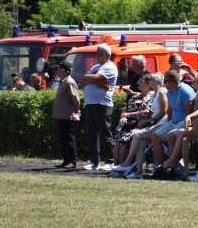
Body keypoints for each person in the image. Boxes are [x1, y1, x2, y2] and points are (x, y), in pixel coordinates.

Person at [115, 73, 168, 179]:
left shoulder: (162, 92)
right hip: (155, 123)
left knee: (137, 134)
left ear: (156, 82)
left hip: (162, 123)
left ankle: (128, 162)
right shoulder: (153, 94)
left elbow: (163, 112)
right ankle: (138, 172)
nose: (148, 82)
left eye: (150, 80)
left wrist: (148, 121)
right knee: (141, 143)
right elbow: (145, 97)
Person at [150, 70, 196, 176]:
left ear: (171, 82)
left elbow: (190, 112)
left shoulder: (185, 91)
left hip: (185, 121)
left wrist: (185, 127)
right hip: (173, 121)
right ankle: (161, 168)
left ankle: (174, 168)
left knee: (171, 136)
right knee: (155, 136)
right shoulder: (169, 91)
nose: (163, 83)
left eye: (165, 81)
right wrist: (167, 123)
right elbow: (170, 110)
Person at [81, 43, 118, 171]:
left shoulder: (110, 67)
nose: (95, 56)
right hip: (91, 103)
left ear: (103, 54)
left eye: (97, 53)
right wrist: (91, 78)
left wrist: (91, 78)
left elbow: (94, 77)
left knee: (105, 133)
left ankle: (110, 161)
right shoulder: (96, 67)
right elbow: (84, 80)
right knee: (92, 134)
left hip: (102, 104)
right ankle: (94, 161)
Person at [112, 77, 153, 166]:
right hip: (128, 124)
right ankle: (116, 165)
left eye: (141, 82)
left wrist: (129, 115)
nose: (138, 83)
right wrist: (123, 116)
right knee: (115, 136)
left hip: (140, 125)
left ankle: (123, 165)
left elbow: (148, 111)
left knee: (125, 139)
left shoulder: (151, 97)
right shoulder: (135, 96)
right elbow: (126, 108)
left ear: (148, 85)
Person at [52, 61, 81, 169]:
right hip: (61, 115)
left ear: (64, 71)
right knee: (64, 139)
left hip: (67, 115)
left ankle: (72, 161)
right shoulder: (63, 82)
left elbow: (75, 98)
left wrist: (77, 111)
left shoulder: (69, 82)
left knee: (69, 139)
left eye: (58, 69)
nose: (57, 72)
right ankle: (66, 160)